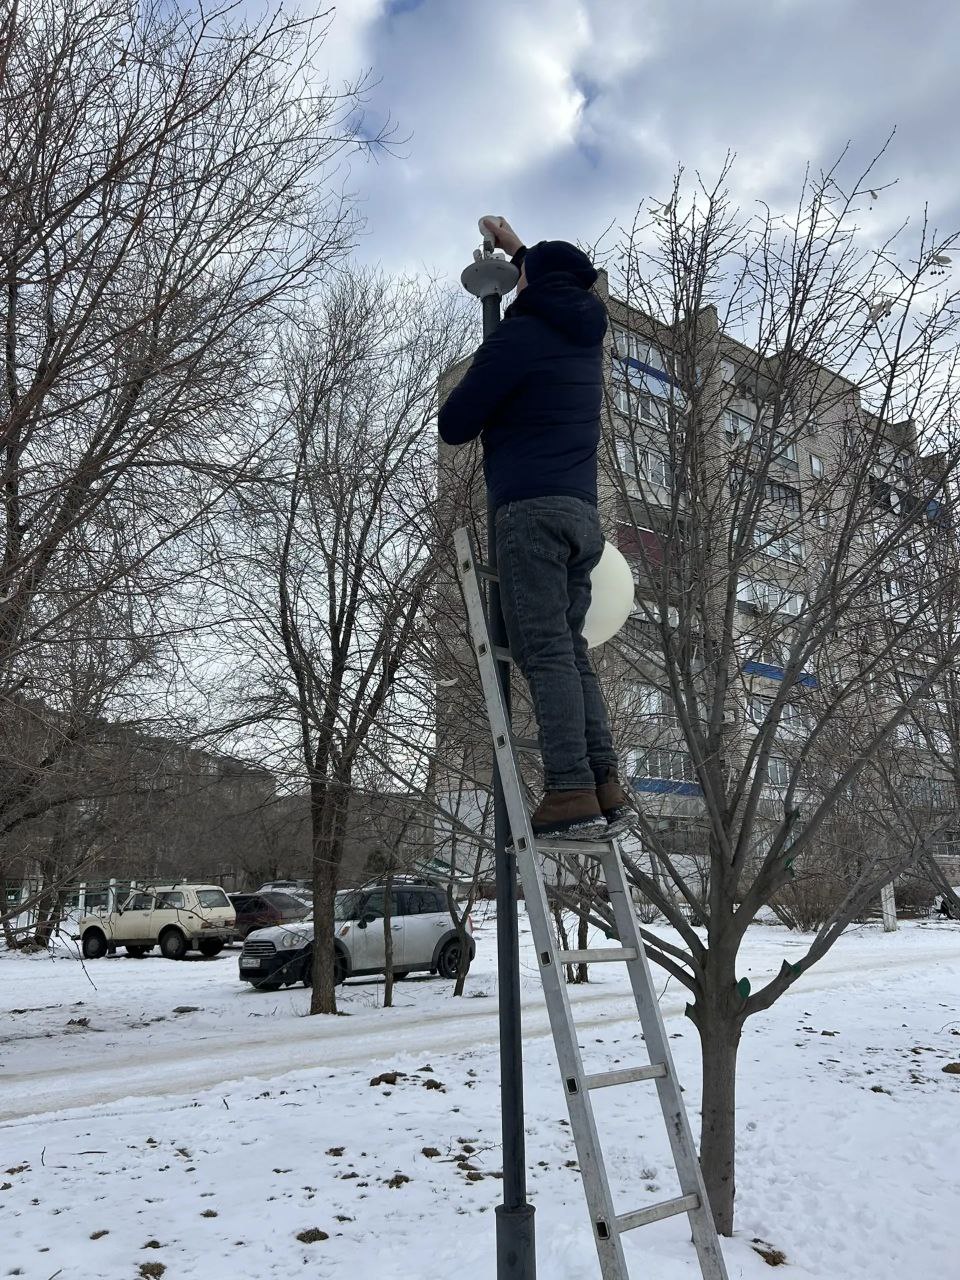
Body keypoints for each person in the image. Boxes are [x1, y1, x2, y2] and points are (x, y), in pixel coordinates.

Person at [439, 217, 630, 839]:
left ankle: (570, 791)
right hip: (583, 517)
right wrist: (520, 250)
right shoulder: (581, 335)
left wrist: (494, 355)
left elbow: (456, 423)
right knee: (571, 652)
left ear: (525, 286)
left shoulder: (522, 336)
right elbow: (550, 271)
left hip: (531, 513)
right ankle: (603, 785)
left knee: (544, 651)